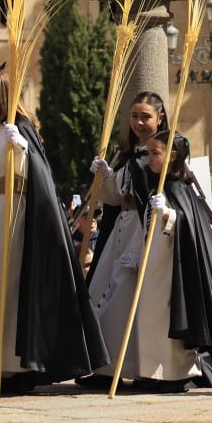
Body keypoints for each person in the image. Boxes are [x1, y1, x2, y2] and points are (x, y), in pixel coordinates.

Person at [0, 66, 107, 392]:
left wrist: (22, 149)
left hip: (12, 216)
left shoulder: (19, 128)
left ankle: (11, 366)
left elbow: (36, 172)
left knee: (5, 291)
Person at [88, 131, 212, 392]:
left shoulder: (179, 188)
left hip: (173, 271)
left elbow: (188, 227)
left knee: (165, 319)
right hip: (152, 266)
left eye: (155, 153)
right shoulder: (156, 187)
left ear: (172, 156)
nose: (148, 158)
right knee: (149, 319)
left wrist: (170, 214)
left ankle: (172, 373)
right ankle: (152, 371)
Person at [88, 92, 164, 283]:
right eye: (134, 116)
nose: (139, 123)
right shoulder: (128, 155)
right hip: (122, 230)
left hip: (146, 230)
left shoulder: (167, 154)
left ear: (160, 118)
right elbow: (116, 196)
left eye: (146, 117)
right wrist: (105, 175)